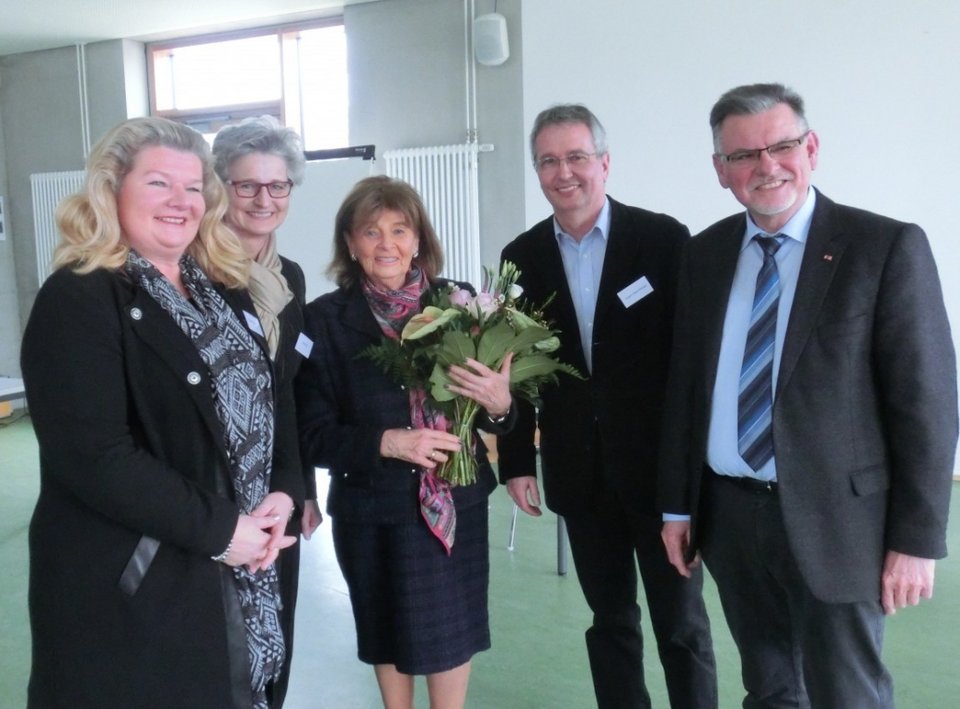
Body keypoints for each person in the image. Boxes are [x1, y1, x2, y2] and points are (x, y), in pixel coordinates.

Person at [659, 82, 958, 708]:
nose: (766, 166)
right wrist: (678, 509)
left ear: (811, 148)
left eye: (782, 146)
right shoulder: (705, 255)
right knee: (769, 689)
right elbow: (686, 389)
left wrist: (917, 539)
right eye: (744, 155)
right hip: (730, 518)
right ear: (721, 170)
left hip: (840, 525)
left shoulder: (883, 247)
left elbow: (927, 404)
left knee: (847, 694)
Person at [20, 116, 305, 709]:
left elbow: (269, 399)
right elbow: (96, 457)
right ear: (112, 190)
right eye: (158, 183)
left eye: (193, 186)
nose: (181, 201)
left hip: (247, 572)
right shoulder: (79, 297)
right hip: (143, 591)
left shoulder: (221, 286)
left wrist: (283, 489)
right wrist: (222, 531)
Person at [496, 103, 717, 709]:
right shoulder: (521, 257)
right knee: (611, 620)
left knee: (681, 624)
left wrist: (695, 468)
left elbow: (693, 361)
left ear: (605, 162)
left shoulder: (663, 240)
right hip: (579, 471)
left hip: (661, 478)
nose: (563, 172)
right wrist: (515, 461)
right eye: (548, 161)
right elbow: (512, 368)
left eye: (576, 157)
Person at [294, 175, 515, 709]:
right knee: (384, 628)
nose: (386, 244)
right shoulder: (324, 320)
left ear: (418, 239)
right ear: (350, 243)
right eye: (371, 232)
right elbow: (312, 434)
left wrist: (500, 404)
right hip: (372, 508)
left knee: (453, 631)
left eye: (399, 229)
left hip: (455, 502)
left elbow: (499, 418)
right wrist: (388, 442)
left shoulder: (461, 304)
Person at [213, 116, 323, 706]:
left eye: (277, 185)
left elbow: (290, 394)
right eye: (247, 185)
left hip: (278, 492)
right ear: (221, 187)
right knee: (225, 644)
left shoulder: (291, 278)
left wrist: (301, 489)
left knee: (276, 629)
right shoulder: (196, 273)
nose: (264, 199)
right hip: (220, 492)